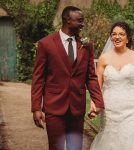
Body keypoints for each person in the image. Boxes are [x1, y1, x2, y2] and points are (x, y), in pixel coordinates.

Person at [31, 6, 104, 150]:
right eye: (80, 21)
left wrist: (98, 101)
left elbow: (91, 77)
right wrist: (36, 108)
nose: (83, 24)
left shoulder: (86, 44)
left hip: (77, 106)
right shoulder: (46, 44)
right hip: (54, 106)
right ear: (67, 20)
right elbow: (38, 78)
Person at [90, 21, 134, 150]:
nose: (117, 37)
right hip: (110, 109)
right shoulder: (104, 59)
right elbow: (96, 87)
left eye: (121, 34)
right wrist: (94, 105)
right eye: (114, 34)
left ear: (128, 38)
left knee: (131, 140)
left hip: (132, 109)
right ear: (111, 37)